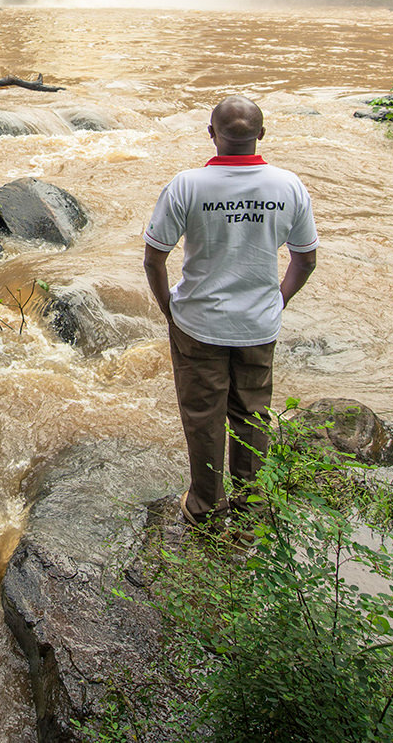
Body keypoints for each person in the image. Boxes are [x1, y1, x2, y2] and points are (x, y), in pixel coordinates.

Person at [142, 95, 317, 526]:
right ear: (261, 134)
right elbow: (306, 259)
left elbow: (154, 258)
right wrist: (278, 300)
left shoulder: (187, 185)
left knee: (203, 415)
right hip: (258, 322)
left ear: (211, 133)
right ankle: (249, 503)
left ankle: (204, 504)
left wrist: (169, 309)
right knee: (253, 411)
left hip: (198, 322)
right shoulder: (288, 185)